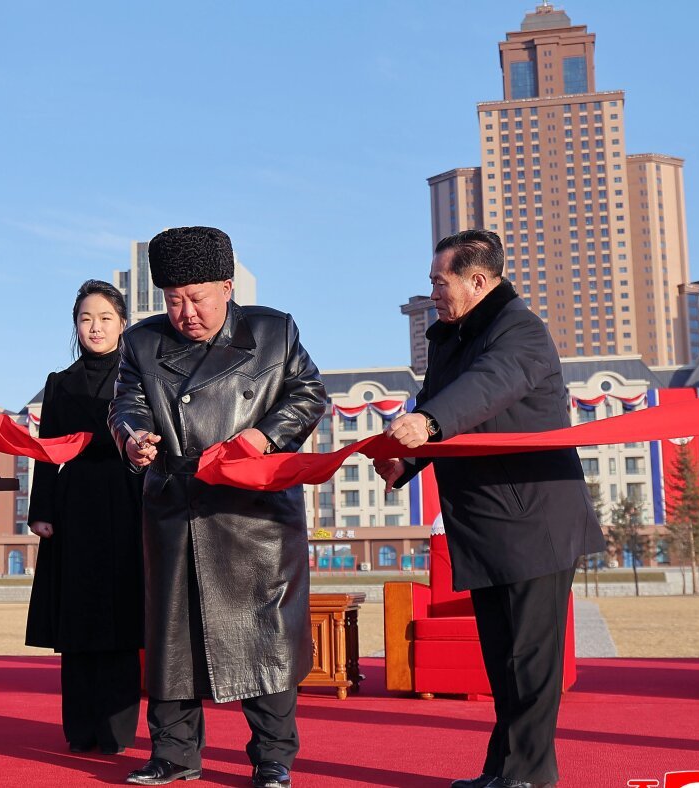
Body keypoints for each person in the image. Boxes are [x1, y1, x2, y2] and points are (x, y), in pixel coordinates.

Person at [374, 229, 604, 788]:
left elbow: (487, 387)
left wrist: (428, 423)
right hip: (485, 522)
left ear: (477, 281)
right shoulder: (451, 337)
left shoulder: (520, 331)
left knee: (531, 659)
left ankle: (531, 775)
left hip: (535, 520)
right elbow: (438, 402)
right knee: (503, 661)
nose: (432, 292)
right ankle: (501, 770)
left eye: (440, 282)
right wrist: (408, 460)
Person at [110, 226, 326, 788]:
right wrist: (133, 437)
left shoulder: (273, 331)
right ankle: (173, 752)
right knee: (171, 637)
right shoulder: (141, 342)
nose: (186, 313)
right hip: (176, 505)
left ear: (227, 288)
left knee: (265, 636)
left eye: (198, 298)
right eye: (173, 300)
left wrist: (266, 436)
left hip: (254, 512)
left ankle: (273, 756)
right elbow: (127, 403)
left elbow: (309, 393)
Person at [25, 279, 145, 756]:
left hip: (128, 501)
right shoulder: (60, 382)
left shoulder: (141, 376)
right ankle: (80, 728)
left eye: (105, 318)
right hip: (74, 506)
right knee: (77, 618)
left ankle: (116, 732)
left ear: (123, 324)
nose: (95, 327)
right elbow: (46, 451)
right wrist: (41, 510)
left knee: (122, 618)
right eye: (85, 319)